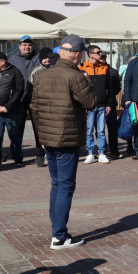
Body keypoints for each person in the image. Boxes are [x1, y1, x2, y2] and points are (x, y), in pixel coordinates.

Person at [30, 34, 96, 250]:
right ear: (77, 55)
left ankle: (57, 230)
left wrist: (40, 136)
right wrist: (87, 79)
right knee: (65, 186)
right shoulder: (75, 76)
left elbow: (35, 108)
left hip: (48, 137)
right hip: (67, 138)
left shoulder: (41, 75)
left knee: (57, 184)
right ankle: (59, 235)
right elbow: (91, 102)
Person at [0, 51, 26, 167]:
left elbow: (19, 91)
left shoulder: (15, 72)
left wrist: (8, 106)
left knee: (14, 135)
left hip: (11, 111)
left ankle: (18, 159)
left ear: (3, 62)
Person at [79, 45, 119, 164]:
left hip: (102, 104)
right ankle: (90, 153)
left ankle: (101, 152)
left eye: (100, 52)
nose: (100, 54)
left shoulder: (105, 68)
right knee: (89, 130)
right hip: (89, 106)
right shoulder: (82, 68)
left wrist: (109, 104)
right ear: (90, 54)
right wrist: (83, 105)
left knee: (101, 131)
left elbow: (110, 87)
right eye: (98, 52)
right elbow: (80, 89)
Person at [9, 35, 42, 165]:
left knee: (38, 127)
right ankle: (17, 154)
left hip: (36, 98)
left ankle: (40, 153)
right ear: (19, 46)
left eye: (29, 45)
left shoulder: (38, 58)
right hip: (19, 99)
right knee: (18, 128)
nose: (27, 47)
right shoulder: (13, 59)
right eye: (24, 45)